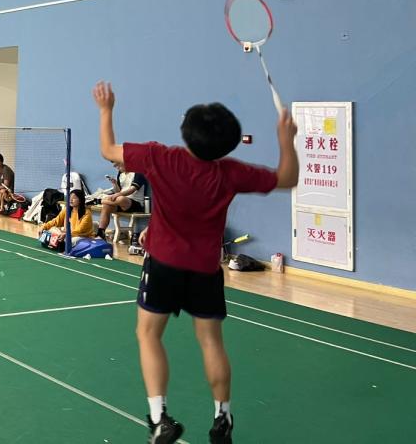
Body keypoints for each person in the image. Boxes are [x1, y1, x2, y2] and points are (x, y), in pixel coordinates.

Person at [92, 80, 298, 444]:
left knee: (148, 335)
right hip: (204, 270)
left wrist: (106, 109)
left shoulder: (160, 157)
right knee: (211, 341)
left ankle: (160, 419)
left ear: (186, 131)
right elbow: (288, 178)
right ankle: (222, 418)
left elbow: (108, 149)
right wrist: (285, 139)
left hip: (163, 265)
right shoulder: (231, 172)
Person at [96, 165, 151, 239]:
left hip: (136, 203)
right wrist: (115, 184)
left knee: (120, 199)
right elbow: (118, 191)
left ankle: (101, 201)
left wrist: (117, 195)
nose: (117, 168)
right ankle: (100, 233)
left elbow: (132, 189)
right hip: (121, 202)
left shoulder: (138, 172)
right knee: (106, 206)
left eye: (118, 165)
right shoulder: (121, 173)